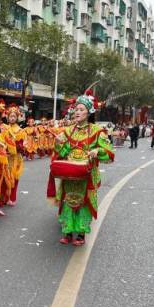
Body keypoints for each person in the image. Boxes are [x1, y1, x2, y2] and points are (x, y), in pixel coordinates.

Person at [49, 94, 114, 246]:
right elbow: (62, 152)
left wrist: (97, 151)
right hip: (70, 174)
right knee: (67, 200)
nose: (77, 112)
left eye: (81, 109)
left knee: (83, 202)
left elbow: (109, 152)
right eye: (76, 109)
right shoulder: (68, 130)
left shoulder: (97, 131)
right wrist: (58, 143)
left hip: (87, 174)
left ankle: (81, 233)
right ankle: (67, 231)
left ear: (89, 112)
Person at [0, 104, 25, 206]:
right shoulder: (4, 128)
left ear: (17, 117)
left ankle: (12, 197)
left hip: (15, 158)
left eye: (14, 116)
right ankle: (3, 198)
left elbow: (20, 146)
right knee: (4, 179)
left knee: (14, 179)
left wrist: (12, 144)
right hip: (5, 157)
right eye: (11, 116)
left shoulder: (20, 130)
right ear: (7, 117)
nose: (12, 118)